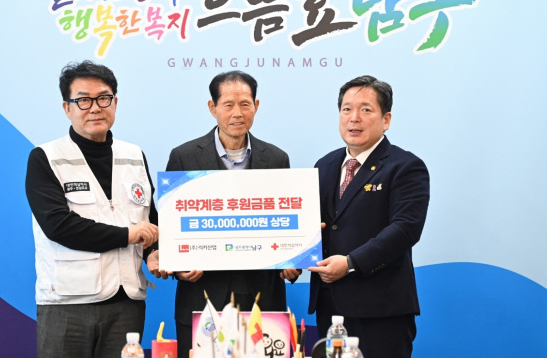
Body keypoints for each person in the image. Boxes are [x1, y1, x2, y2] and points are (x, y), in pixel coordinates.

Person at [25, 60, 164, 358]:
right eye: (83, 100)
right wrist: (128, 235)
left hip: (126, 303)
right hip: (68, 304)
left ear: (115, 103)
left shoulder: (134, 155)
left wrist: (155, 252)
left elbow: (149, 220)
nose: (95, 108)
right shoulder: (46, 157)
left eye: (103, 98)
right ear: (67, 108)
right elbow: (59, 226)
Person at [164, 70, 300, 358]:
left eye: (245, 104)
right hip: (202, 295)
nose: (237, 113)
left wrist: (294, 260)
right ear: (212, 107)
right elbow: (170, 226)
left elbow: (286, 224)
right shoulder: (183, 157)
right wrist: (177, 265)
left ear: (256, 106)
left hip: (262, 297)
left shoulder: (277, 159)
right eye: (228, 105)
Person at [308, 75, 430, 358]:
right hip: (330, 308)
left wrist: (351, 263)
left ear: (386, 119)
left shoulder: (405, 166)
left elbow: (406, 229)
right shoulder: (324, 165)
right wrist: (291, 259)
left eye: (366, 109)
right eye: (347, 109)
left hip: (381, 310)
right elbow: (315, 225)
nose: (354, 118)